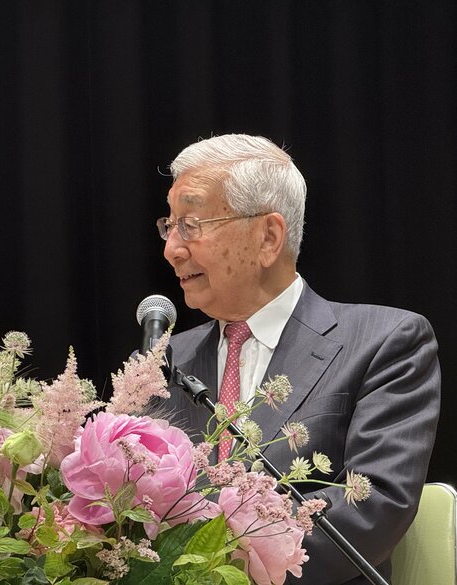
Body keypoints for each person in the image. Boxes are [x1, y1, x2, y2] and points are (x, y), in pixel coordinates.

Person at [158, 134, 440, 585]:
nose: (172, 248)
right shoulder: (166, 359)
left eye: (191, 224)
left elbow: (373, 509)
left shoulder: (386, 342)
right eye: (169, 226)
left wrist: (213, 568)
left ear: (268, 237)